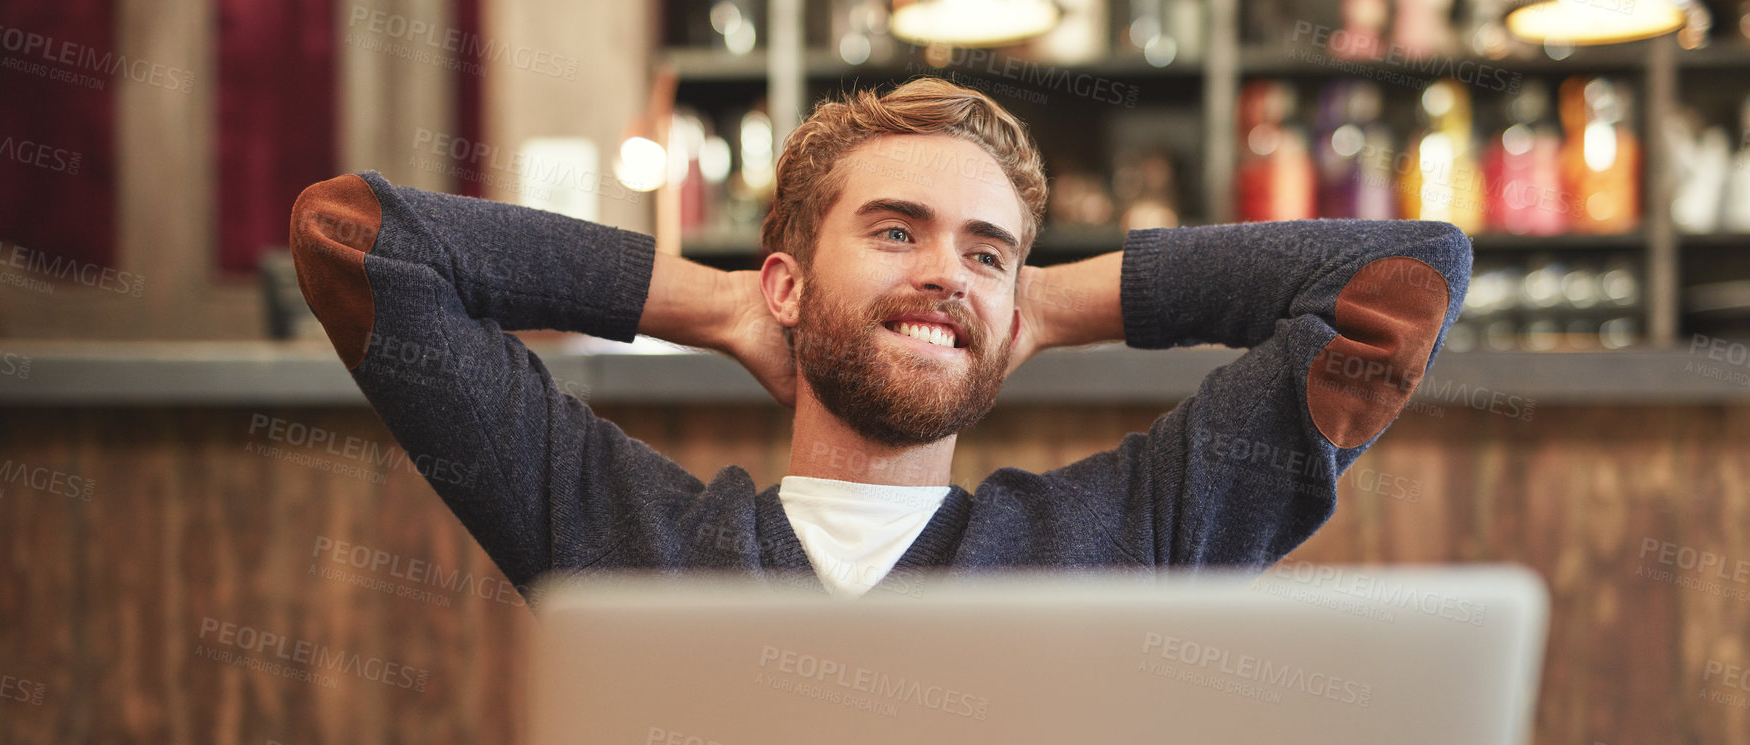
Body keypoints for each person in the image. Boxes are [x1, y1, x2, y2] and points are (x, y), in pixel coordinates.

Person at [289, 77, 1470, 600]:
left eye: (987, 251)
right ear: (790, 279)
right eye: (897, 231)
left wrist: (1045, 307)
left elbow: (1402, 280)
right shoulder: (622, 537)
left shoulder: (1129, 537)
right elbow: (354, 239)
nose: (947, 271)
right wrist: (718, 304)